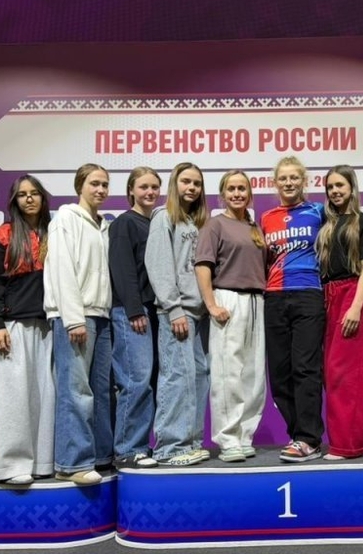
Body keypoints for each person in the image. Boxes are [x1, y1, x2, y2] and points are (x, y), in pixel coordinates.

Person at [0, 175, 55, 485]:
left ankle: (42, 462)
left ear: (43, 198)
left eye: (34, 193)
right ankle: (11, 466)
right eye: (22, 194)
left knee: (45, 397)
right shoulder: (4, 234)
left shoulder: (55, 232)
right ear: (14, 201)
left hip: (48, 325)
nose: (29, 199)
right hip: (12, 326)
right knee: (12, 399)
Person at [45, 163, 112, 486]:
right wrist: (73, 319)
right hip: (75, 316)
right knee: (75, 391)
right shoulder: (65, 219)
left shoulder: (104, 225)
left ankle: (99, 457)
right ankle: (72, 463)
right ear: (79, 186)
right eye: (94, 183)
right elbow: (62, 269)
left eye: (104, 184)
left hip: (101, 314)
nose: (100, 189)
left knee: (100, 391)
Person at [194, 170, 267, 463]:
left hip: (257, 300)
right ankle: (227, 438)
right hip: (228, 298)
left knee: (253, 374)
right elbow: (203, 265)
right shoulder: (215, 225)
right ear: (222, 194)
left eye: (242, 189)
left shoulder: (254, 227)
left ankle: (245, 435)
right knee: (228, 372)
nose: (237, 193)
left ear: (249, 194)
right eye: (231, 189)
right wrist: (211, 304)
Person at [261, 156, 326, 463]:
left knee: (305, 369)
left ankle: (309, 439)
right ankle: (297, 434)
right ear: (275, 183)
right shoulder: (266, 218)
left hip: (308, 293)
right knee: (279, 374)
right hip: (274, 296)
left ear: (304, 181)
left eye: (294, 178)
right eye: (283, 178)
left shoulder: (318, 212)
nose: (288, 183)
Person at [146, 162, 210, 466]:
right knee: (176, 377)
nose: (192, 187)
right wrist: (173, 308)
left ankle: (191, 442)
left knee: (198, 377)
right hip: (177, 311)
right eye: (186, 181)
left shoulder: (198, 222)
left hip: (198, 313)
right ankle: (170, 447)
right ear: (175, 184)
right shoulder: (164, 217)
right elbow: (158, 264)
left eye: (197, 183)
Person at [316, 165, 363, 460]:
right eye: (330, 187)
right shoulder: (326, 224)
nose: (335, 191)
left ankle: (347, 446)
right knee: (331, 374)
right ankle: (349, 442)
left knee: (347, 374)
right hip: (327, 296)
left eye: (340, 185)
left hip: (352, 295)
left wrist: (355, 305)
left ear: (352, 187)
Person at [108, 166, 162, 469]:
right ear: (131, 190)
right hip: (132, 312)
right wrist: (133, 309)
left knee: (148, 381)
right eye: (143, 187)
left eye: (154, 187)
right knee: (134, 381)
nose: (150, 192)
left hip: (152, 310)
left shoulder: (156, 222)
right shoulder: (124, 223)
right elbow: (122, 268)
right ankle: (128, 449)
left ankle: (140, 445)